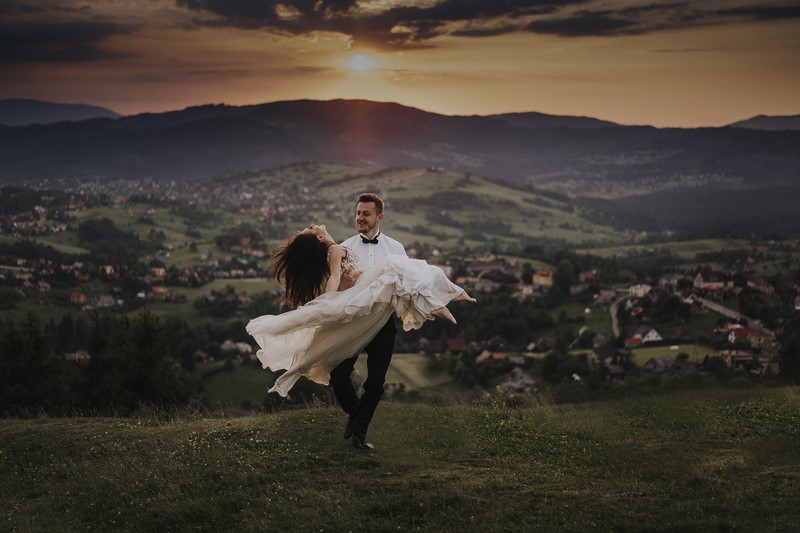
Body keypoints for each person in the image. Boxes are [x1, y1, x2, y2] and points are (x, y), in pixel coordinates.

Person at [246, 194, 474, 451]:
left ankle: (360, 434)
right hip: (350, 323)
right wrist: (329, 301)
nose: (360, 218)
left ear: (380, 217)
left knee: (375, 383)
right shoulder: (344, 246)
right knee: (339, 376)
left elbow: (407, 284)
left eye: (366, 213)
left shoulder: (396, 248)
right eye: (357, 213)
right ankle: (356, 415)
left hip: (382, 324)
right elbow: (333, 281)